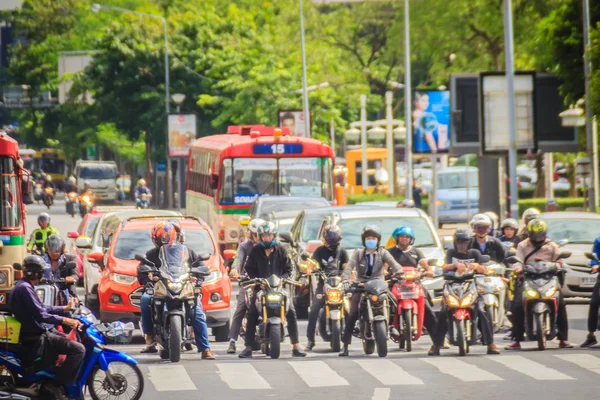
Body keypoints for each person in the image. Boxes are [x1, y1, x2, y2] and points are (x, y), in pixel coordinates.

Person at [9, 255, 85, 400]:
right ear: (36, 273)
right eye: (41, 272)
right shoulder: (24, 288)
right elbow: (41, 315)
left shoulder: (24, 286)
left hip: (37, 331)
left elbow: (42, 307)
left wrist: (64, 308)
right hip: (38, 336)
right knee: (79, 349)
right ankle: (56, 385)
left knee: (67, 340)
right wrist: (66, 320)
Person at [137, 221, 215, 359]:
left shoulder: (188, 252)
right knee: (145, 300)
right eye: (163, 239)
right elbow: (142, 271)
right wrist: (148, 281)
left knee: (196, 310)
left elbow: (200, 266)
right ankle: (149, 336)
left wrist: (198, 278)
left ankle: (205, 349)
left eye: (169, 237)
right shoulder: (151, 254)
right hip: (160, 288)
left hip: (183, 286)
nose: (167, 241)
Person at [238, 221, 306, 358]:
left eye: (269, 235)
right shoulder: (255, 250)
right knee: (251, 312)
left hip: (279, 288)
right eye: (263, 236)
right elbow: (249, 269)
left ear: (273, 235)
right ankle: (248, 346)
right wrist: (256, 281)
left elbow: (289, 269)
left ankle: (296, 346)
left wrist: (284, 279)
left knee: (291, 311)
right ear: (259, 236)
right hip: (261, 288)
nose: (266, 238)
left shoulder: (281, 249)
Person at [505, 219, 572, 350]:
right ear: (529, 233)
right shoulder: (523, 245)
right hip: (529, 278)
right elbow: (517, 261)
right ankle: (516, 339)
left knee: (561, 304)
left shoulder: (552, 245)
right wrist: (518, 268)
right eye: (535, 234)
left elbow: (559, 260)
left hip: (549, 278)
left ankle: (563, 339)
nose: (537, 237)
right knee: (518, 306)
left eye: (540, 234)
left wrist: (558, 266)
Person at [339, 225, 404, 356]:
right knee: (352, 314)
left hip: (380, 286)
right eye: (368, 238)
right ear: (364, 240)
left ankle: (394, 327)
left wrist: (400, 274)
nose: (371, 240)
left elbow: (394, 264)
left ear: (378, 240)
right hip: (361, 286)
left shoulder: (383, 252)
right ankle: (345, 345)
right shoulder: (358, 253)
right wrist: (345, 280)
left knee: (396, 303)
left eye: (374, 238)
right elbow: (349, 268)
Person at [434, 228, 500, 355]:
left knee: (482, 311)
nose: (462, 244)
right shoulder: (451, 253)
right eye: (459, 241)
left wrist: (476, 266)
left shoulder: (474, 253)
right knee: (443, 313)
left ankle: (490, 344)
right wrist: (454, 266)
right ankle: (436, 345)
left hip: (470, 286)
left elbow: (485, 270)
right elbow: (444, 267)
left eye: (464, 241)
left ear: (469, 242)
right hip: (452, 285)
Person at [387, 226, 443, 353]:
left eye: (407, 237)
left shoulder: (416, 252)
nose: (404, 239)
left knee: (427, 306)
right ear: (397, 238)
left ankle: (438, 340)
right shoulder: (391, 252)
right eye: (401, 237)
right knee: (386, 302)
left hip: (414, 284)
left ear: (411, 239)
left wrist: (428, 271)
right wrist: (385, 273)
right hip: (396, 284)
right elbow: (385, 267)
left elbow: (425, 265)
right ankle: (386, 328)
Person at [305, 225, 349, 351]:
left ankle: (348, 338)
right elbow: (311, 264)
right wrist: (309, 270)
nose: (331, 245)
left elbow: (346, 267)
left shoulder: (342, 252)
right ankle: (310, 340)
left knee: (349, 309)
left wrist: (347, 275)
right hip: (324, 284)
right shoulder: (319, 251)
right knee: (314, 310)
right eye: (330, 241)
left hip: (339, 285)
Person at [226, 218, 264, 354]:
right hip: (248, 283)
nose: (260, 237)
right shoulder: (244, 246)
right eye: (257, 234)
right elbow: (238, 260)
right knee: (241, 308)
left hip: (265, 283)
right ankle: (232, 341)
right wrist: (235, 270)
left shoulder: (270, 246)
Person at [41, 235, 78, 304]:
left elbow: (75, 275)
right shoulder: (40, 261)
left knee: (75, 307)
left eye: (57, 251)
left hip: (64, 291)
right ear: (47, 249)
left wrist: (69, 278)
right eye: (51, 250)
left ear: (61, 250)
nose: (54, 253)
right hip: (44, 291)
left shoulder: (69, 259)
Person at [581, 236, 600, 347]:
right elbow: (595, 257)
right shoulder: (599, 241)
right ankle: (591, 335)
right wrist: (595, 265)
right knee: (594, 302)